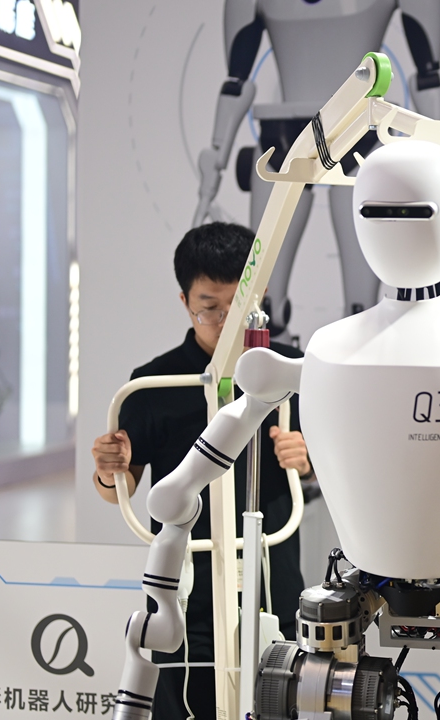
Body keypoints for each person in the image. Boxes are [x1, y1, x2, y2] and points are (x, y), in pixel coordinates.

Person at [91, 222, 312, 719]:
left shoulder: (294, 372)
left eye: (237, 304)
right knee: (185, 700)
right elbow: (120, 489)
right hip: (186, 585)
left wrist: (308, 460)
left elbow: (334, 474)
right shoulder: (153, 383)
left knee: (276, 700)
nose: (225, 319)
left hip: (271, 576)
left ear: (262, 296)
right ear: (184, 300)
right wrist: (112, 471)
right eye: (209, 307)